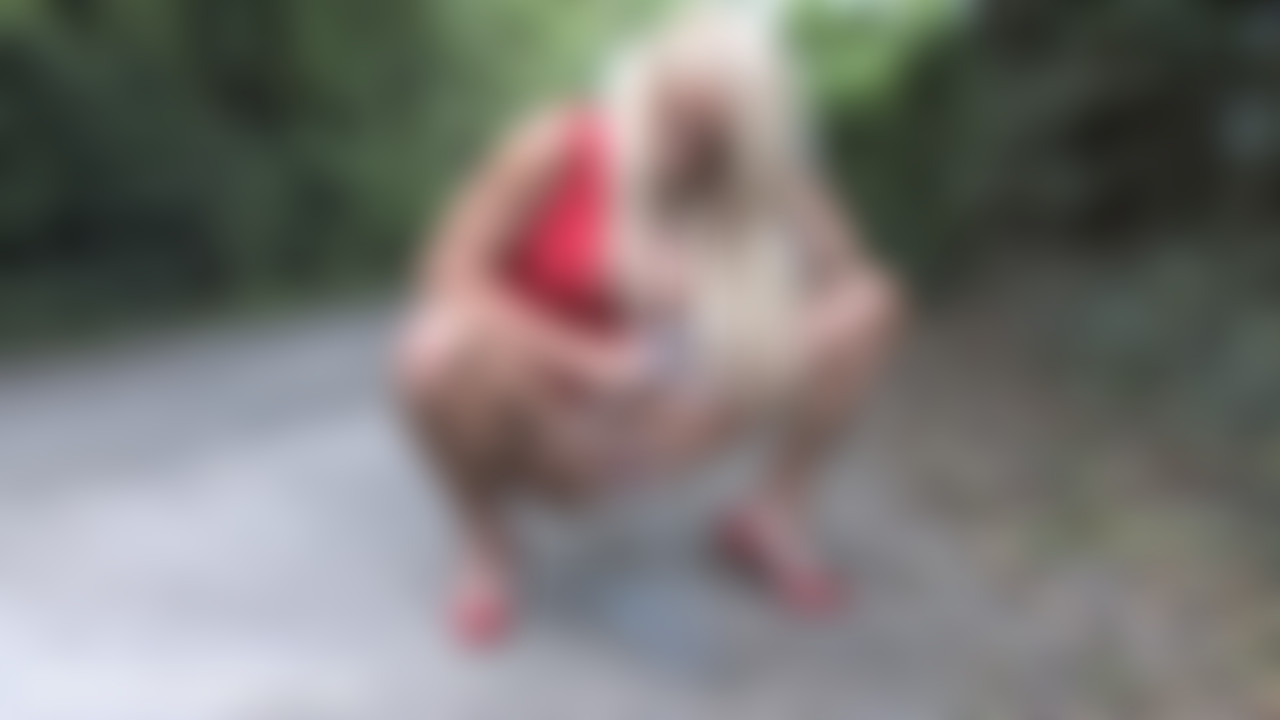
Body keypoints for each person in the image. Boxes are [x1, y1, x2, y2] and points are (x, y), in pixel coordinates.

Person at [393, 6, 903, 647]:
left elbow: (843, 274)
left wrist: (789, 170)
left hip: (667, 423)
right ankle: (487, 547)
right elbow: (445, 274)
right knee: (432, 349)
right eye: (673, 116)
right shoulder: (560, 142)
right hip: (545, 416)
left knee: (868, 304)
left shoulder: (739, 186)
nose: (682, 148)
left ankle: (771, 520)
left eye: (709, 136)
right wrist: (589, 361)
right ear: (647, 88)